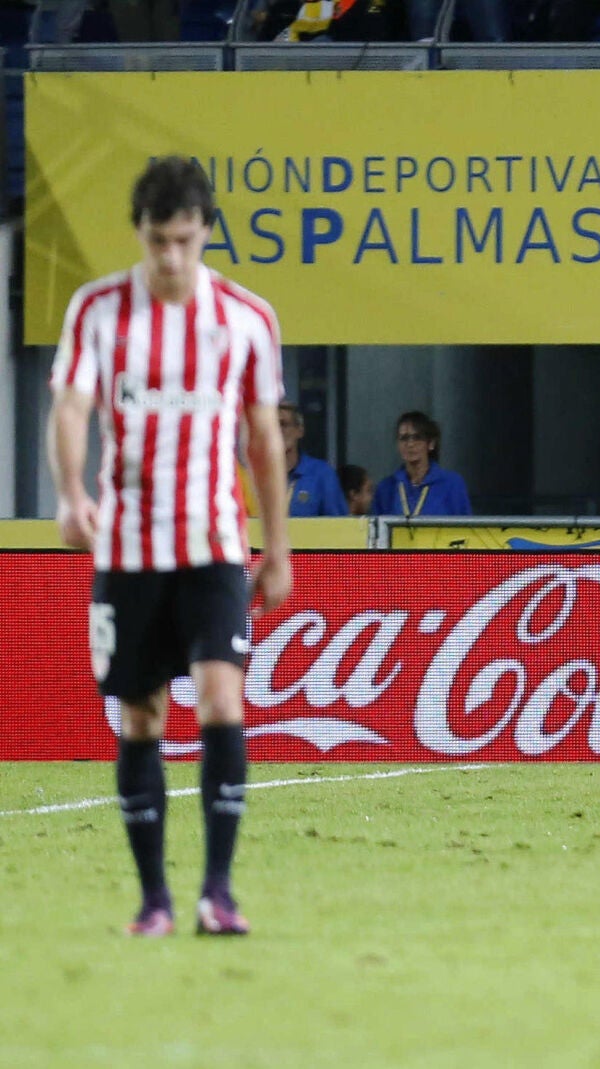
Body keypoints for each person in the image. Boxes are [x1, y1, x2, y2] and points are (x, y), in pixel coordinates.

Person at [47, 156, 292, 937]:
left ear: (206, 233)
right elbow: (71, 407)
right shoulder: (97, 311)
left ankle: (217, 892)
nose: (171, 258)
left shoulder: (247, 318)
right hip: (128, 550)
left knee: (224, 698)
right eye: (158, 241)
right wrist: (70, 491)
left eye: (184, 240)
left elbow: (262, 439)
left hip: (215, 545)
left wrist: (277, 548)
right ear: (140, 235)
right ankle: (153, 899)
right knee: (142, 714)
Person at [371, 411, 472, 518]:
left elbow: (465, 528)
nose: (410, 444)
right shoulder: (386, 487)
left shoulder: (452, 483)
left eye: (417, 438)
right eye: (404, 438)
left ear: (431, 443)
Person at [278, 403, 347, 518]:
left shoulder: (322, 474)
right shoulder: (254, 475)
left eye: (284, 425)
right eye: (272, 426)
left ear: (299, 431)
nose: (278, 431)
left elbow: (339, 525)